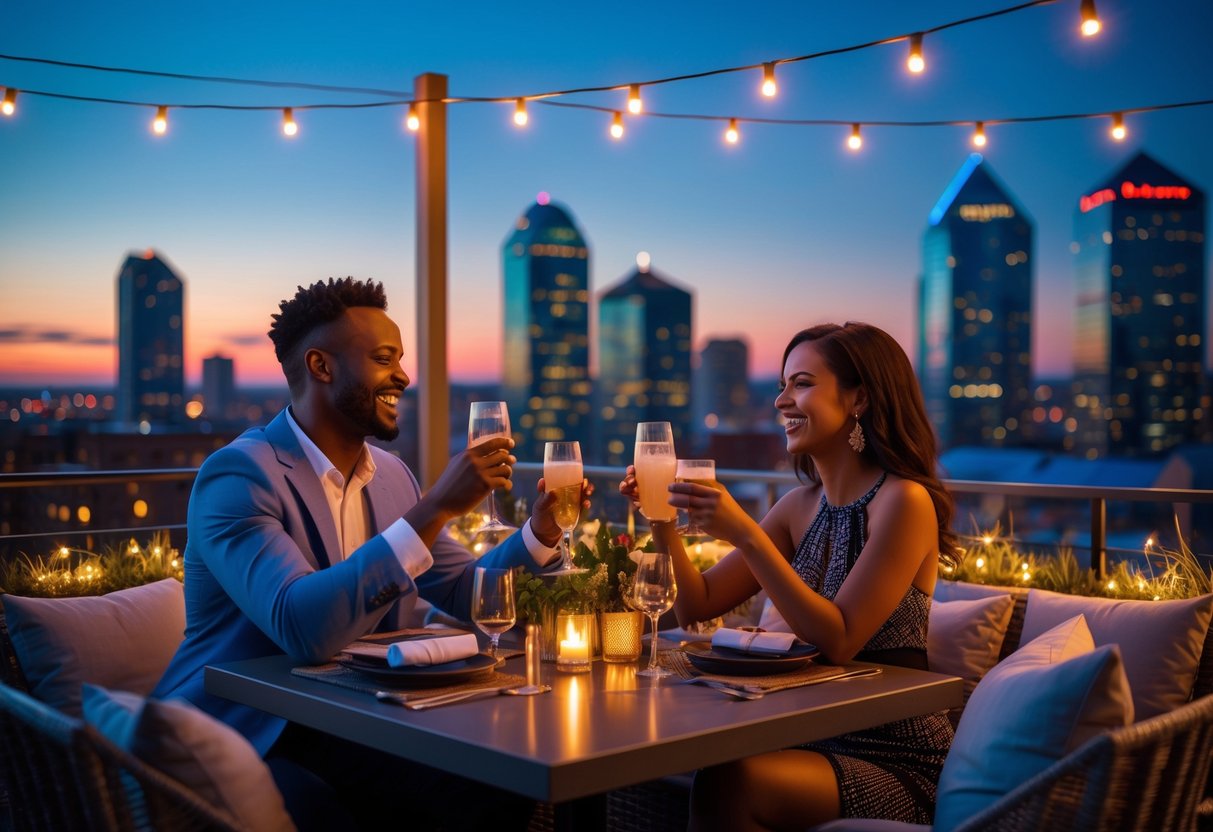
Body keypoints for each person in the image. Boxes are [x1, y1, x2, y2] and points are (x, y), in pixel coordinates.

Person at [155, 277, 588, 830]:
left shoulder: (392, 478)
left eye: (401, 359)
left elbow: (462, 589)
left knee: (504, 774)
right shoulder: (239, 476)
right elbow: (300, 625)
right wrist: (433, 510)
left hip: (362, 720)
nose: (404, 376)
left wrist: (541, 532)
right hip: (251, 729)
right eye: (385, 359)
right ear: (321, 366)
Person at [621, 321, 957, 831]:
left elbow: (839, 639)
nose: (781, 400)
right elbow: (696, 603)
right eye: (782, 384)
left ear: (859, 399)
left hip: (892, 754)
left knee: (728, 782)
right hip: (805, 735)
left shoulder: (905, 502)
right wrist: (661, 516)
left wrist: (747, 536)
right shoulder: (799, 505)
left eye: (801, 383)